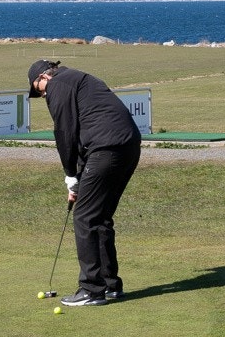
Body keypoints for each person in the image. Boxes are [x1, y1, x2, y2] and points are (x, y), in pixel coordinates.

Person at [27, 59, 142, 306]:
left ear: (44, 78)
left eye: (39, 89)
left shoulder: (58, 86)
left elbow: (65, 133)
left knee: (85, 217)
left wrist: (70, 177)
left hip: (106, 149)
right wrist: (78, 179)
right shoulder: (78, 79)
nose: (42, 94)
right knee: (99, 217)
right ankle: (110, 285)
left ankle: (91, 289)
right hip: (128, 147)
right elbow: (81, 133)